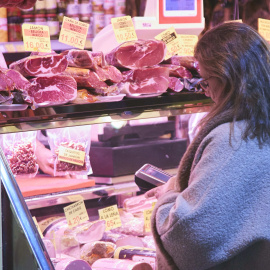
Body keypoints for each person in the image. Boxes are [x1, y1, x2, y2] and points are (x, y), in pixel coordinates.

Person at [145, 22, 270, 270]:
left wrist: (170, 195)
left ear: (225, 76)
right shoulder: (260, 121)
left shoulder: (231, 138)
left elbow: (192, 236)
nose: (206, 91)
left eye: (206, 81)